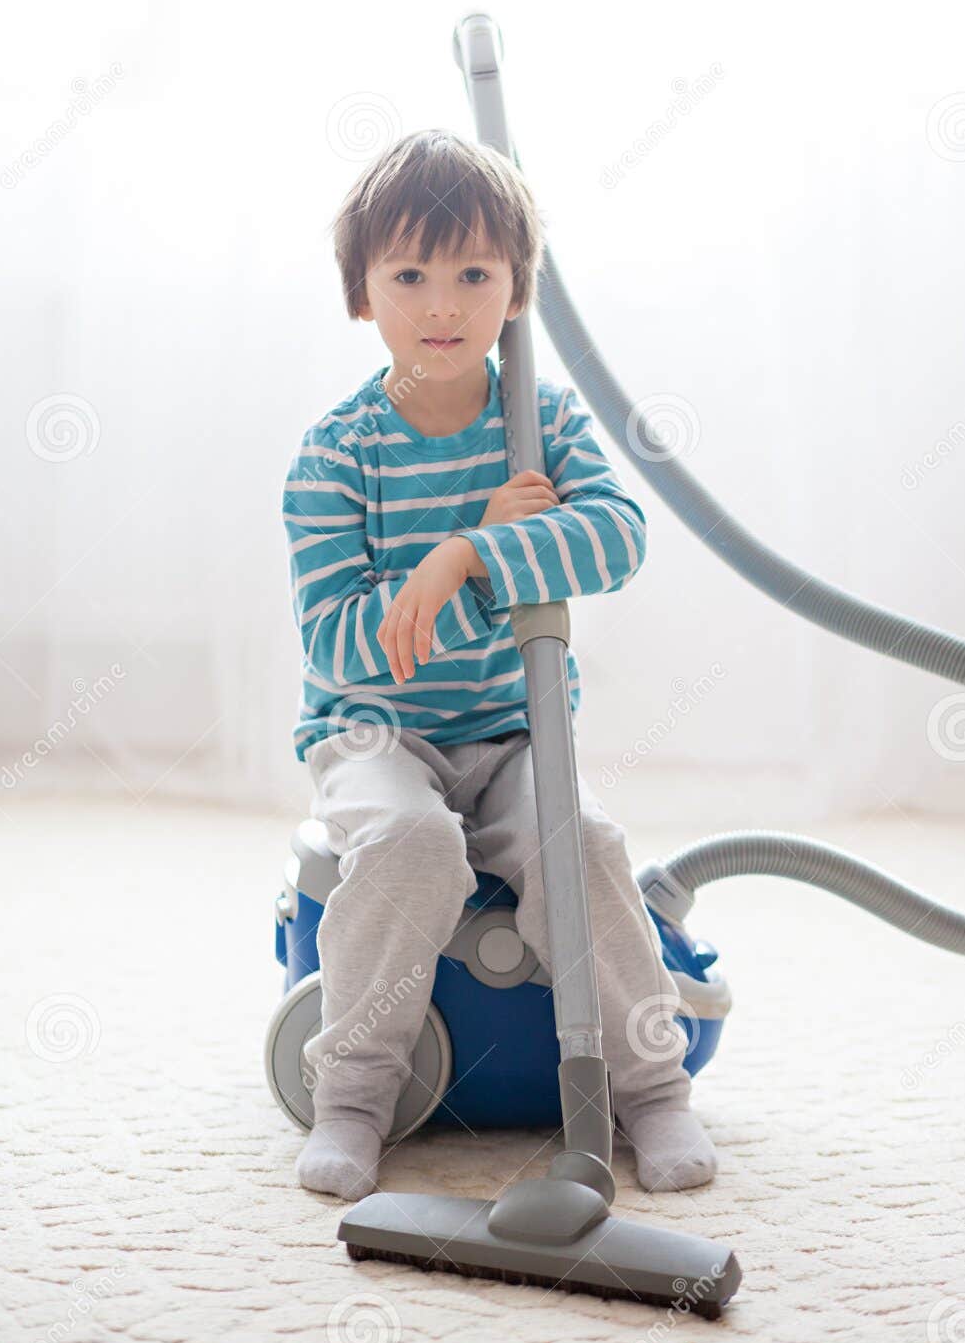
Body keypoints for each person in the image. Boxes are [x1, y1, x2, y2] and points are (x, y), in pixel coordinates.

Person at [282, 129, 716, 1199]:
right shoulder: (335, 456)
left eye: (474, 272)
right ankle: (353, 1092)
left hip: (516, 729)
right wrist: (450, 563)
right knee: (414, 842)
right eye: (410, 274)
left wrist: (469, 553)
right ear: (360, 295)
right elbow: (342, 640)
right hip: (378, 733)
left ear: (516, 288)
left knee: (586, 843)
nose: (443, 304)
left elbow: (615, 538)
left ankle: (651, 1091)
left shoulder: (543, 423)